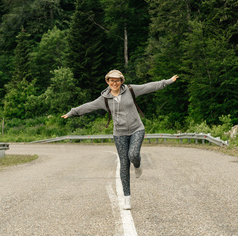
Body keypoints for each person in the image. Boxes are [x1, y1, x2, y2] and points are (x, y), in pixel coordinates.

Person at [62, 70, 179, 210]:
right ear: (107, 81)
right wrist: (72, 112)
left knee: (134, 155)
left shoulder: (130, 90)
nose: (114, 83)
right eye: (111, 80)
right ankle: (127, 198)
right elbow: (88, 106)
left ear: (121, 81)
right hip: (119, 134)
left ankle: (137, 165)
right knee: (124, 164)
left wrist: (168, 81)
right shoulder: (104, 99)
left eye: (117, 80)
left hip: (137, 128)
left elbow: (149, 86)